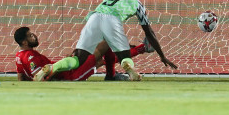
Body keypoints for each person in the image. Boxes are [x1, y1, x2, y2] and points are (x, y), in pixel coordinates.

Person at [36, 0, 177, 81]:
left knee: (78, 59)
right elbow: (149, 32)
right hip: (112, 20)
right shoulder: (138, 3)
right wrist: (162, 55)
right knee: (124, 56)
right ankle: (130, 71)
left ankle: (53, 67)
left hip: (94, 17)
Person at [14, 26, 151, 81]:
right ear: (24, 42)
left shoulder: (19, 56)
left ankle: (112, 74)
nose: (34, 36)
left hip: (67, 70)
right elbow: (43, 77)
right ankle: (142, 48)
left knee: (101, 55)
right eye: (30, 36)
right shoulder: (31, 57)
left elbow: (21, 77)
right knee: (104, 47)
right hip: (72, 75)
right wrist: (61, 74)